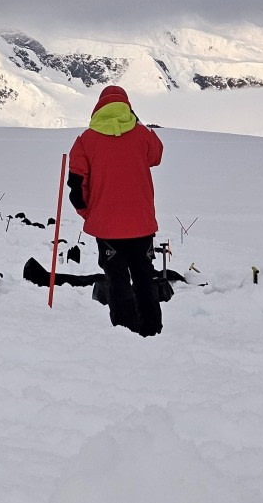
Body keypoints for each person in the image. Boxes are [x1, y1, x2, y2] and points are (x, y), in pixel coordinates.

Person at [68, 85, 164, 337]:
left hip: (107, 227)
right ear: (127, 107)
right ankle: (152, 330)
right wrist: (137, 120)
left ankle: (124, 332)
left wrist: (89, 214)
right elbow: (157, 154)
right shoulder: (142, 136)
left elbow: (76, 187)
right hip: (142, 225)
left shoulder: (85, 141)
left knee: (117, 279)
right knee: (144, 277)